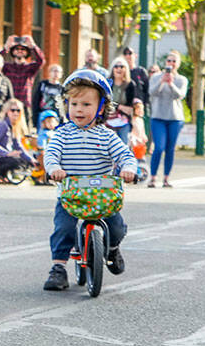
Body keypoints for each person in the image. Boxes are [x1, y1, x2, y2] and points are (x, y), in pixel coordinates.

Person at [42, 69, 139, 291]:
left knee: (116, 227)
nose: (79, 109)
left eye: (86, 105)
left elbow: (125, 155)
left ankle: (112, 249)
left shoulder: (106, 135)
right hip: (71, 194)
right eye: (74, 103)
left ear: (101, 107)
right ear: (66, 105)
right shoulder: (62, 134)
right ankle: (58, 268)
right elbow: (52, 154)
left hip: (101, 195)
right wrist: (54, 168)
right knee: (63, 228)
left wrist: (129, 169)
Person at [147, 51, 188, 188]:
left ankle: (166, 178)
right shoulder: (156, 77)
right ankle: (153, 177)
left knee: (170, 149)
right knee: (158, 147)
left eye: (174, 61)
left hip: (174, 118)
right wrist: (161, 81)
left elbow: (180, 95)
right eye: (169, 61)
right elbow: (152, 92)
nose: (171, 63)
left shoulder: (181, 79)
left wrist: (171, 84)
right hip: (158, 116)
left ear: (178, 64)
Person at [0, 99, 35, 182]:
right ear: (7, 111)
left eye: (18, 110)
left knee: (24, 161)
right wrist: (7, 153)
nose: (15, 113)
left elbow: (18, 146)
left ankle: (5, 176)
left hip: (5, 156)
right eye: (12, 110)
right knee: (16, 162)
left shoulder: (15, 126)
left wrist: (31, 159)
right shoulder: (2, 124)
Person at [0, 34, 45, 107]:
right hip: (9, 103)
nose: (20, 51)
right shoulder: (7, 67)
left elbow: (41, 61)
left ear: (27, 52)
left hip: (25, 104)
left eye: (23, 49)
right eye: (17, 49)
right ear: (13, 51)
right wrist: (6, 48)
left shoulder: (31, 67)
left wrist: (33, 46)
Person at [106, 57, 138, 145]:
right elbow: (104, 103)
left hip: (124, 121)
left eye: (121, 66)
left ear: (126, 69)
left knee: (123, 147)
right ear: (112, 69)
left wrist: (116, 106)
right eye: (116, 66)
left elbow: (130, 108)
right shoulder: (107, 84)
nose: (119, 69)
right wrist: (120, 107)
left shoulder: (131, 85)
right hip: (107, 121)